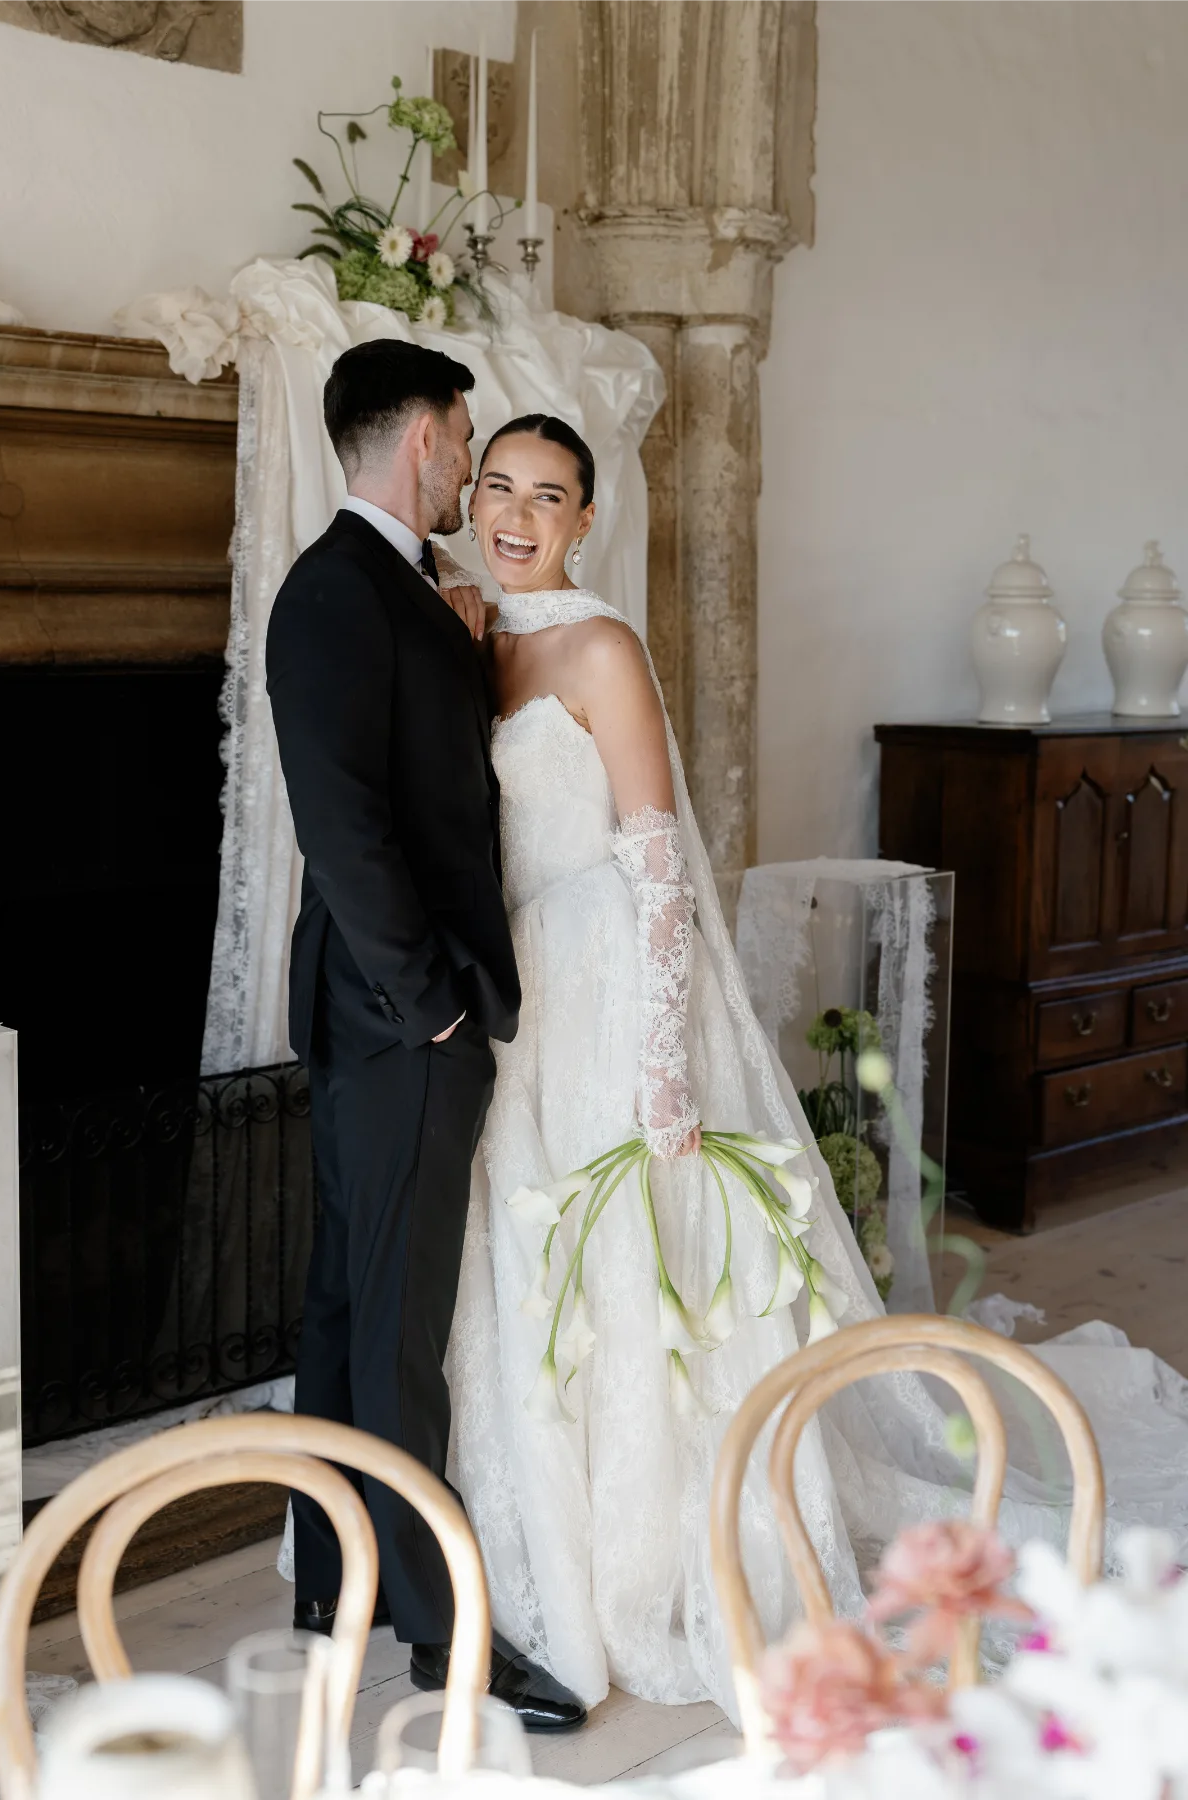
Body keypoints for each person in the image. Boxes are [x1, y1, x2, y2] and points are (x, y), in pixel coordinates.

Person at [438, 413, 1188, 1718]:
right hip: (518, 989)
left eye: (548, 496)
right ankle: (529, 1538)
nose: (516, 514)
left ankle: (668, 1550)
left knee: (640, 1260)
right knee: (525, 1250)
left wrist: (664, 1063)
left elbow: (657, 862)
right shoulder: (468, 634)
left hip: (608, 979)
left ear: (585, 520)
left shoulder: (600, 645)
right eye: (497, 484)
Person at [264, 344, 586, 1731]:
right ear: (426, 443)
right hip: (403, 1019)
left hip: (383, 1014)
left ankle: (332, 1592)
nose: (473, 472)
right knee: (397, 1331)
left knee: (349, 1307)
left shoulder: (389, 589)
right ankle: (443, 1635)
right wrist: (434, 1002)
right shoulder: (335, 591)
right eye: (467, 445)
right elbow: (343, 832)